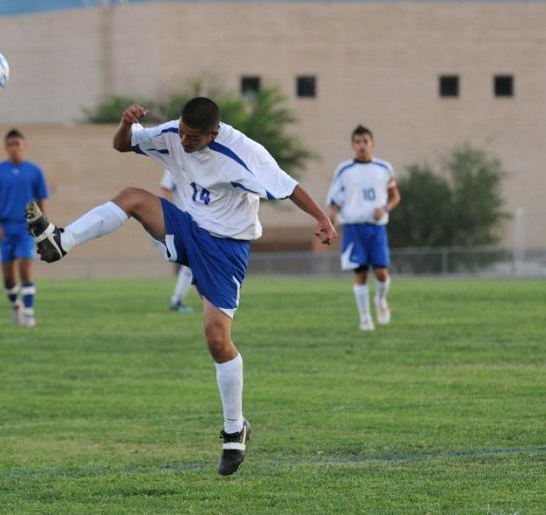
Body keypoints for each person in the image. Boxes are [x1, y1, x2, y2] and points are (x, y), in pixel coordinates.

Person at [25, 97, 336, 475]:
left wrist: (322, 218)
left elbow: (289, 186)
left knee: (217, 339)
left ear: (213, 133)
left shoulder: (243, 153)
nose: (185, 143)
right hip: (189, 226)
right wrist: (125, 124)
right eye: (184, 134)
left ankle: (234, 430)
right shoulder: (173, 134)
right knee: (132, 197)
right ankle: (62, 240)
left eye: (193, 137)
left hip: (226, 248)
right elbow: (123, 145)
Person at [326, 125, 400, 331]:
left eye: (365, 141)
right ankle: (365, 317)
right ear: (352, 145)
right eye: (357, 142)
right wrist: (331, 219)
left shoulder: (384, 168)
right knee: (360, 273)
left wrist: (384, 208)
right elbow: (335, 200)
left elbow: (395, 196)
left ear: (372, 144)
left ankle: (381, 300)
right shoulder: (344, 170)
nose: (361, 145)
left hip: (376, 228)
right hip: (353, 228)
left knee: (381, 273)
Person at [0, 128, 49, 328]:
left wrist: (41, 224)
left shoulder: (35, 171)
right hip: (5, 228)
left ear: (24, 146)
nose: (14, 148)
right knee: (8, 277)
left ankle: (29, 314)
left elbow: (41, 199)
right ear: (5, 147)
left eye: (17, 144)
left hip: (26, 227)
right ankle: (16, 306)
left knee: (25, 267)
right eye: (10, 145)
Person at [160, 168, 194, 313]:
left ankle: (177, 301)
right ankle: (177, 300)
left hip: (198, 220)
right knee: (194, 263)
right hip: (185, 220)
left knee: (192, 264)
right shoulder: (173, 164)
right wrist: (173, 215)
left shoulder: (196, 162)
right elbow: (165, 188)